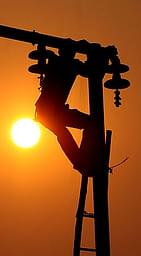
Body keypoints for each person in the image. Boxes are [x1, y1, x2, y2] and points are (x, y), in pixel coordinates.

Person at [34, 42, 96, 175]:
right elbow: (91, 72)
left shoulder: (65, 62)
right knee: (71, 130)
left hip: (51, 111)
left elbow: (91, 72)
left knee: (86, 125)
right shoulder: (68, 63)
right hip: (47, 111)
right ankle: (82, 161)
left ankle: (82, 160)